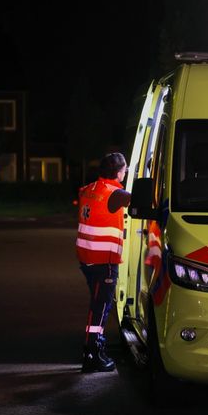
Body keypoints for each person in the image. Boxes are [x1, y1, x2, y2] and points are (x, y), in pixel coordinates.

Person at [76, 153, 132, 372]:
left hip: (86, 258)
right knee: (100, 308)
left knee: (97, 305)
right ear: (118, 172)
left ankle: (94, 348)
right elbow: (143, 199)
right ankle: (92, 353)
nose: (125, 173)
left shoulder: (89, 189)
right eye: (125, 169)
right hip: (103, 261)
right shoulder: (115, 194)